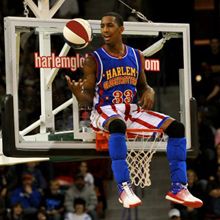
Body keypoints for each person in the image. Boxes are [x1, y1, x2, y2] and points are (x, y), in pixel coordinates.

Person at [66, 11, 203, 209]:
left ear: (121, 29)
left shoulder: (136, 55)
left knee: (177, 128)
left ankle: (178, 187)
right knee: (118, 125)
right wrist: (79, 95)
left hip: (133, 111)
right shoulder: (93, 59)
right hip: (104, 111)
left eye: (110, 25)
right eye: (102, 26)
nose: (105, 29)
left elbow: (143, 85)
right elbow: (87, 102)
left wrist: (150, 90)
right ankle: (124, 187)